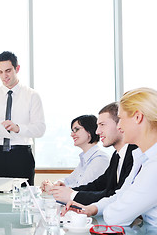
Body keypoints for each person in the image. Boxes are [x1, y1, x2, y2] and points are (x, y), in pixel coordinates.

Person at [63, 87, 157, 226]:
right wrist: (92, 209)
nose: (119, 127)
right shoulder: (141, 157)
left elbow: (116, 216)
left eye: (121, 119)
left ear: (138, 117)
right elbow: (121, 194)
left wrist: (106, 210)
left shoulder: (153, 165)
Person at [0, 51, 46, 185]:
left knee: (23, 200)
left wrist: (18, 128)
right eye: (0, 72)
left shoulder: (32, 96)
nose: (4, 76)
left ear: (17, 68)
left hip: (21, 156)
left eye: (8, 71)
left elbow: (40, 129)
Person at [49, 102, 137, 205]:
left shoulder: (134, 154)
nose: (97, 131)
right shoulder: (117, 156)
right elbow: (98, 185)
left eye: (102, 125)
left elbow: (115, 195)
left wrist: (72, 195)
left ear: (120, 124)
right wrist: (68, 191)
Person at [42, 115, 109, 189]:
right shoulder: (85, 158)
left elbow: (82, 188)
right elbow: (68, 180)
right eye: (72, 131)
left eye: (76, 129)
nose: (72, 134)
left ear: (89, 131)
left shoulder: (100, 159)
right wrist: (54, 184)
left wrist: (53, 188)